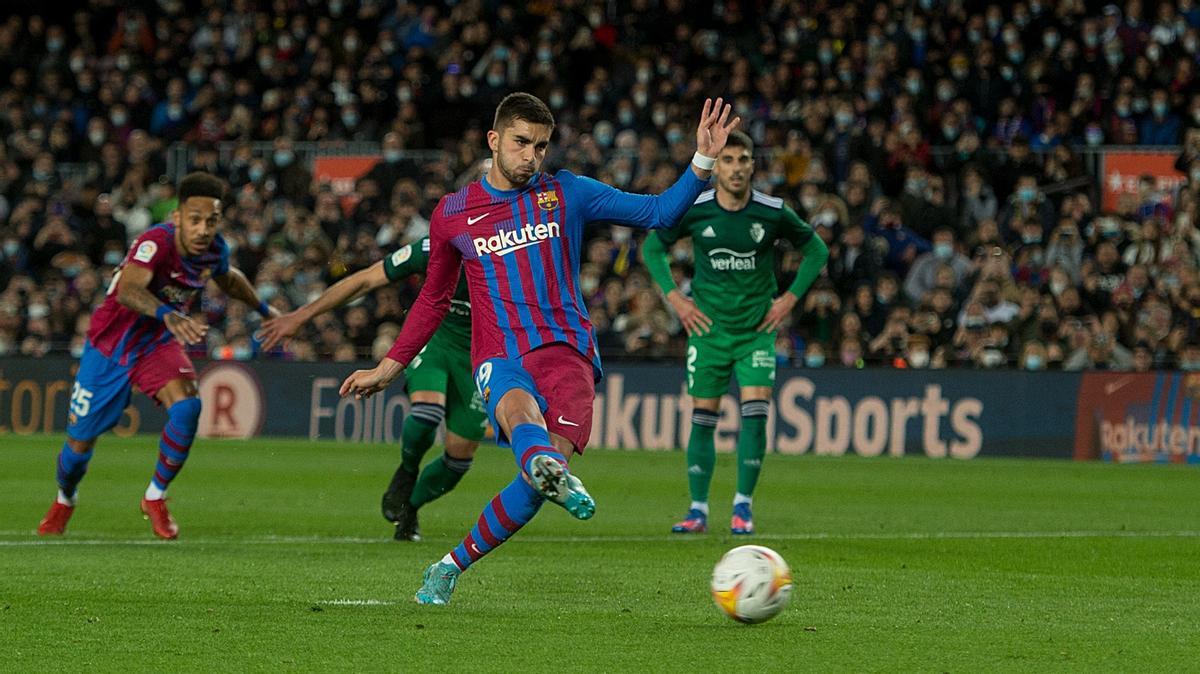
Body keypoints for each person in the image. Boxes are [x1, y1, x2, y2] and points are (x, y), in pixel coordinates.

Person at [339, 92, 740, 604]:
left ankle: (449, 565)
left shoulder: (567, 193)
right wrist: (389, 367)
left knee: (536, 485)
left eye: (541, 146)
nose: (531, 156)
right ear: (494, 141)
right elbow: (433, 299)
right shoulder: (454, 213)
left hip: (569, 355)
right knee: (520, 417)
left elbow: (659, 213)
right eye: (521, 142)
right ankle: (545, 466)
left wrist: (703, 159)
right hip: (500, 354)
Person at [37, 172, 276, 539]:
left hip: (155, 343)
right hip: (110, 345)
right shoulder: (155, 243)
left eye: (210, 221)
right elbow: (130, 290)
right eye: (194, 220)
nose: (202, 229)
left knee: (187, 406)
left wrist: (264, 309)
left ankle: (155, 496)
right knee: (79, 445)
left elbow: (229, 278)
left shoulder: (215, 250)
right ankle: (65, 499)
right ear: (178, 217)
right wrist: (169, 314)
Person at [642, 130, 828, 535]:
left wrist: (789, 300)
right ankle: (697, 511)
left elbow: (817, 250)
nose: (737, 168)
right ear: (716, 166)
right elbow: (652, 247)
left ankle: (742, 506)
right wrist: (676, 299)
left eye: (743, 159)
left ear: (752, 165)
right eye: (727, 160)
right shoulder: (696, 208)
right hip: (708, 330)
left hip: (756, 331)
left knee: (755, 415)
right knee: (703, 417)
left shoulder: (772, 211)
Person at [259, 237, 487, 541]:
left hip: (479, 354)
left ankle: (410, 507)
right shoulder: (436, 245)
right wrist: (302, 315)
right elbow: (366, 279)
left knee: (459, 457)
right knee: (427, 412)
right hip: (433, 339)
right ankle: (406, 472)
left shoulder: (515, 250)